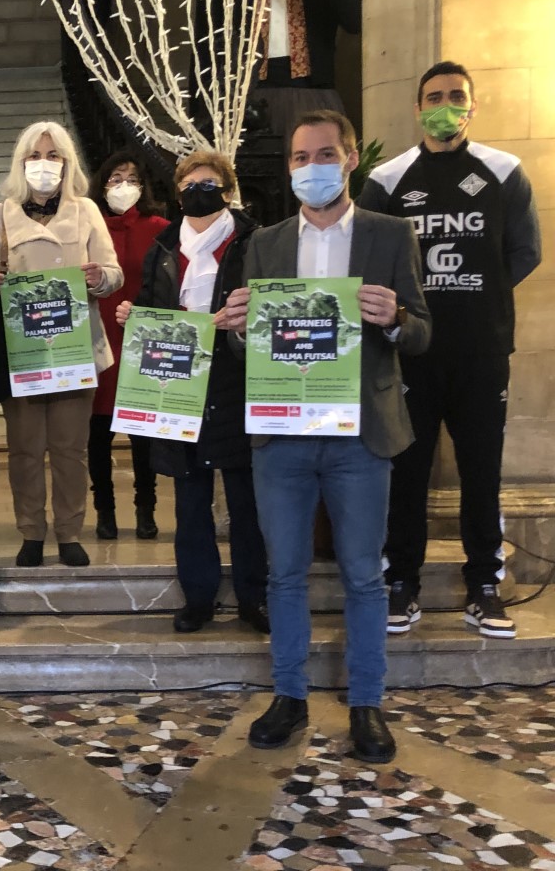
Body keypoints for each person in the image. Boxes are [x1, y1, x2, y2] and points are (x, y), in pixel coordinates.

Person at [221, 110, 430, 764]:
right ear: (289, 167)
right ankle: (290, 696)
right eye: (300, 157)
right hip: (283, 432)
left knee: (364, 576)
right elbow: (250, 345)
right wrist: (235, 328)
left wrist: (395, 318)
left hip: (359, 435)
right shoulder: (266, 243)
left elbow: (422, 331)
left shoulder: (389, 234)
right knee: (284, 574)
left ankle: (366, 703)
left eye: (325, 154)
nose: (312, 167)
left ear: (350, 160)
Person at [359, 61, 542, 640]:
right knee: (406, 472)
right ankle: (401, 581)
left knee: (481, 471)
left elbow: (526, 251)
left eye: (456, 96)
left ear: (472, 105)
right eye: (434, 97)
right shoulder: (388, 180)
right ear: (418, 108)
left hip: (482, 353)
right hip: (409, 353)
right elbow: (368, 262)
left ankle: (484, 586)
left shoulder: (502, 171)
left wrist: (477, 298)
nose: (445, 106)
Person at [120, 151, 270, 635]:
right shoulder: (163, 246)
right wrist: (133, 316)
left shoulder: (254, 242)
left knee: (246, 501)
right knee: (189, 500)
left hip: (237, 379)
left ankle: (254, 596)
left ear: (227, 191)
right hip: (179, 384)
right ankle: (199, 597)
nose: (197, 193)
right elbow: (152, 305)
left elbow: (270, 307)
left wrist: (242, 319)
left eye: (209, 185)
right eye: (189, 185)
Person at [0, 122, 123, 568]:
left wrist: (100, 277)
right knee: (24, 449)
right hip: (23, 350)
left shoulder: (86, 210)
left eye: (53, 155)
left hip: (74, 348)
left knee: (70, 449)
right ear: (21, 163)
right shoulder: (2, 212)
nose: (44, 163)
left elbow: (113, 272)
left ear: (67, 161)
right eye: (35, 155)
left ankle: (70, 531)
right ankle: (31, 532)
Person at [192, 0, 361, 143]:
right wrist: (198, 131)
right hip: (239, 108)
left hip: (315, 99)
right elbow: (204, 60)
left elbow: (355, 20)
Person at [87, 151, 169, 541]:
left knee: (142, 437)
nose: (123, 186)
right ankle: (104, 510)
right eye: (115, 178)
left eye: (132, 179)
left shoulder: (161, 229)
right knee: (97, 435)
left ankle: (145, 508)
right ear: (102, 184)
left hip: (141, 342)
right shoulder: (88, 226)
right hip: (97, 341)